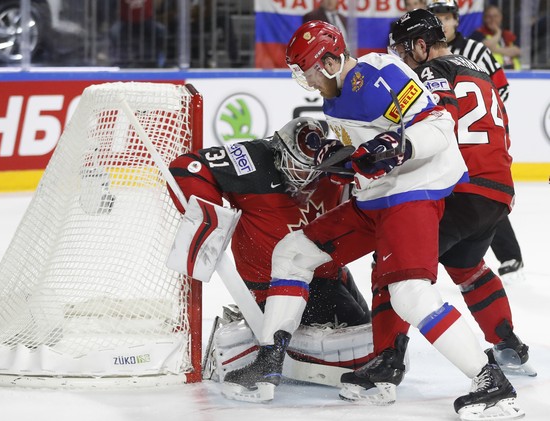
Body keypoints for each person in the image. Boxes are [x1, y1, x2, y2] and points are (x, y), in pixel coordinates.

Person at [221, 19, 523, 419]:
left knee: (409, 292)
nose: (307, 82)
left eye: (307, 71)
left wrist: (400, 145)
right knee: (293, 253)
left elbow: (439, 126)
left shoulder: (380, 71)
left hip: (415, 191)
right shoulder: (337, 98)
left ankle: (492, 383)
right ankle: (270, 362)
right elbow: (366, 156)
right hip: (377, 198)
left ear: (329, 61)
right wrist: (336, 158)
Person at [355, 8, 536, 406]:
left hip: (462, 184)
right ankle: (509, 344)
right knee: (466, 265)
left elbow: (439, 121)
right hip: (497, 189)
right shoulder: (476, 68)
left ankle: (387, 361)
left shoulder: (432, 72)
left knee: (395, 264)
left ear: (421, 46)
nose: (402, 60)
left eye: (404, 51)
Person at [167, 117, 373, 383]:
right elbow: (186, 167)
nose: (306, 179)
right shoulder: (252, 160)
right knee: (360, 346)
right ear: (279, 152)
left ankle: (260, 336)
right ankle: (259, 337)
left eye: (314, 170)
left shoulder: (336, 163)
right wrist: (211, 217)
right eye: (298, 168)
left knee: (367, 333)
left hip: (327, 276)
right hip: (270, 283)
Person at [427, 0, 524, 281]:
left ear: (457, 21)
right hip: (445, 135)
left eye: (446, 18)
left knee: (480, 190)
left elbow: (501, 87)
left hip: (477, 137)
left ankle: (509, 256)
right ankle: (459, 258)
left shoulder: (476, 50)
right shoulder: (423, 51)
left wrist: (476, 119)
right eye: (436, 18)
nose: (442, 23)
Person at [110, 0, 166, 67]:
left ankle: (160, 59)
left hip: (146, 20)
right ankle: (116, 61)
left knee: (161, 31)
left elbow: (158, 5)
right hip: (125, 21)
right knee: (114, 32)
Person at [470, 4, 521, 70]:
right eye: (489, 17)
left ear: (501, 17)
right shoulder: (478, 33)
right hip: (491, 74)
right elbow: (486, 46)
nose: (493, 19)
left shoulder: (507, 34)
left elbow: (517, 51)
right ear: (484, 18)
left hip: (514, 73)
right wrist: (498, 32)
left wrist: (495, 50)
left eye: (495, 16)